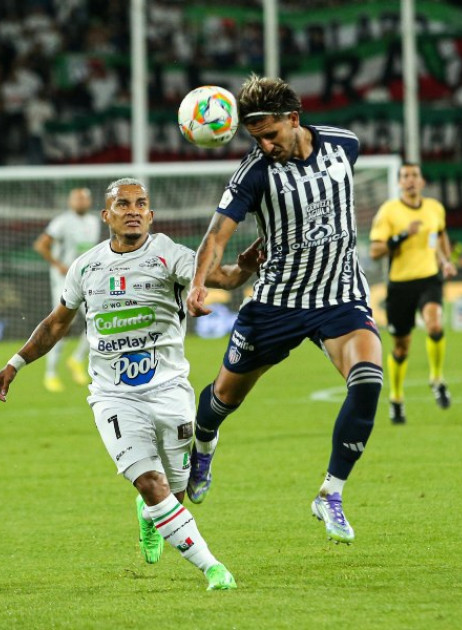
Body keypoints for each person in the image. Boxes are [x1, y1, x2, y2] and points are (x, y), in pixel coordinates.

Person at [0, 178, 263, 590]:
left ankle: (150, 514)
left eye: (141, 204)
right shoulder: (87, 266)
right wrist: (14, 364)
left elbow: (219, 278)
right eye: (122, 204)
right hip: (113, 396)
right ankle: (213, 568)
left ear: (150, 215)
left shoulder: (168, 253)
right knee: (152, 485)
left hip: (169, 391)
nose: (133, 210)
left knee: (175, 491)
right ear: (107, 215)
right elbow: (56, 323)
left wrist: (244, 267)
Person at [184, 75, 384, 545]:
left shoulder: (345, 145)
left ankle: (330, 493)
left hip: (339, 296)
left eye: (271, 134)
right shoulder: (253, 173)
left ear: (294, 119)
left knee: (369, 379)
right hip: (276, 303)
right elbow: (216, 237)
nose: (266, 145)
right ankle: (203, 445)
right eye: (256, 138)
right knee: (221, 401)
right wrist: (198, 284)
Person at [369, 163, 458, 425]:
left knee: (435, 324)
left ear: (422, 182)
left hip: (429, 279)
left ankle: (437, 379)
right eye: (405, 176)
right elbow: (375, 251)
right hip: (400, 285)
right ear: (399, 183)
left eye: (414, 176)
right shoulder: (389, 211)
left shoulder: (435, 208)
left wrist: (446, 261)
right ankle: (396, 398)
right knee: (401, 347)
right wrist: (403, 236)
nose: (410, 180)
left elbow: (439, 236)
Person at [33, 187, 101, 392]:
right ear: (70, 201)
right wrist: (57, 264)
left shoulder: (94, 221)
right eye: (77, 199)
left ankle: (77, 359)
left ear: (89, 202)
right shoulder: (61, 222)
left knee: (98, 321)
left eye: (84, 199)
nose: (81, 202)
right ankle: (51, 373)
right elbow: (41, 245)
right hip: (63, 281)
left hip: (86, 280)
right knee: (60, 326)